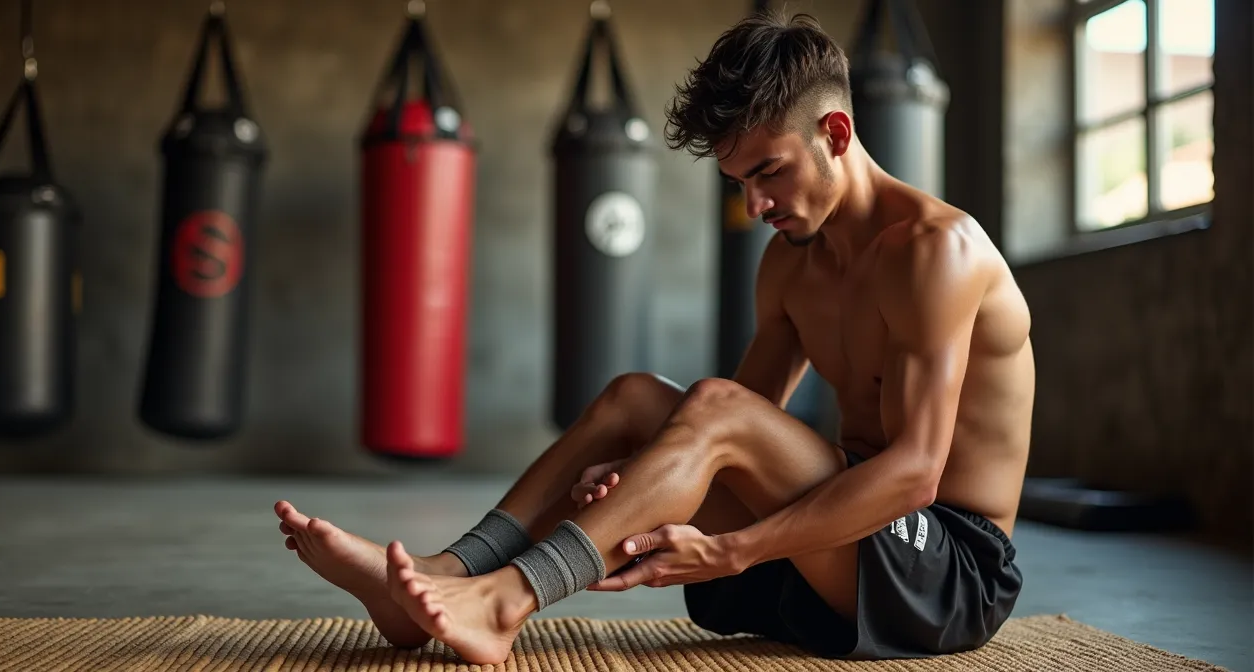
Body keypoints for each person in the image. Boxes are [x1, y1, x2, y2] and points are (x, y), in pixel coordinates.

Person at [273, 9, 1033, 666]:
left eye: (769, 172)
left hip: (947, 570)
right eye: (739, 184)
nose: (757, 203)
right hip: (837, 551)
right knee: (637, 398)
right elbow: (733, 423)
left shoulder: (936, 252)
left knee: (711, 409)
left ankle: (505, 604)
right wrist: (636, 468)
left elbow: (914, 476)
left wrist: (735, 549)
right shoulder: (791, 265)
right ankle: (445, 574)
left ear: (836, 132)